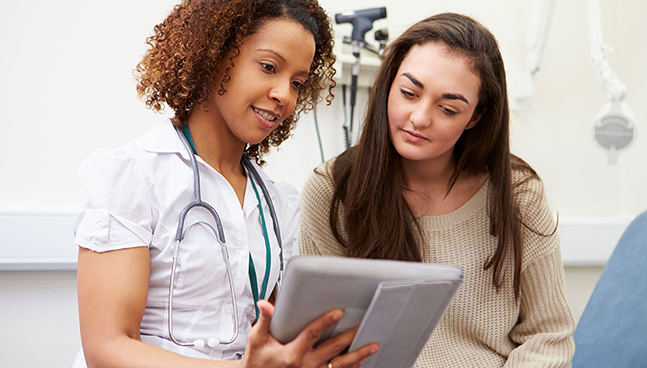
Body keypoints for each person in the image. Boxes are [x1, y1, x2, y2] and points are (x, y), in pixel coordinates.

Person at [73, 0, 378, 366]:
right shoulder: (132, 176)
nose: (284, 95)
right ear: (214, 54)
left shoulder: (277, 203)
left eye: (297, 83)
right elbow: (106, 348)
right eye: (269, 67)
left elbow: (272, 338)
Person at [299, 12, 575, 367]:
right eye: (409, 93)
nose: (419, 117)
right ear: (388, 85)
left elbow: (549, 337)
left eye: (447, 108)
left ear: (475, 117)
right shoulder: (332, 190)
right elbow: (320, 343)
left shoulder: (519, 193)